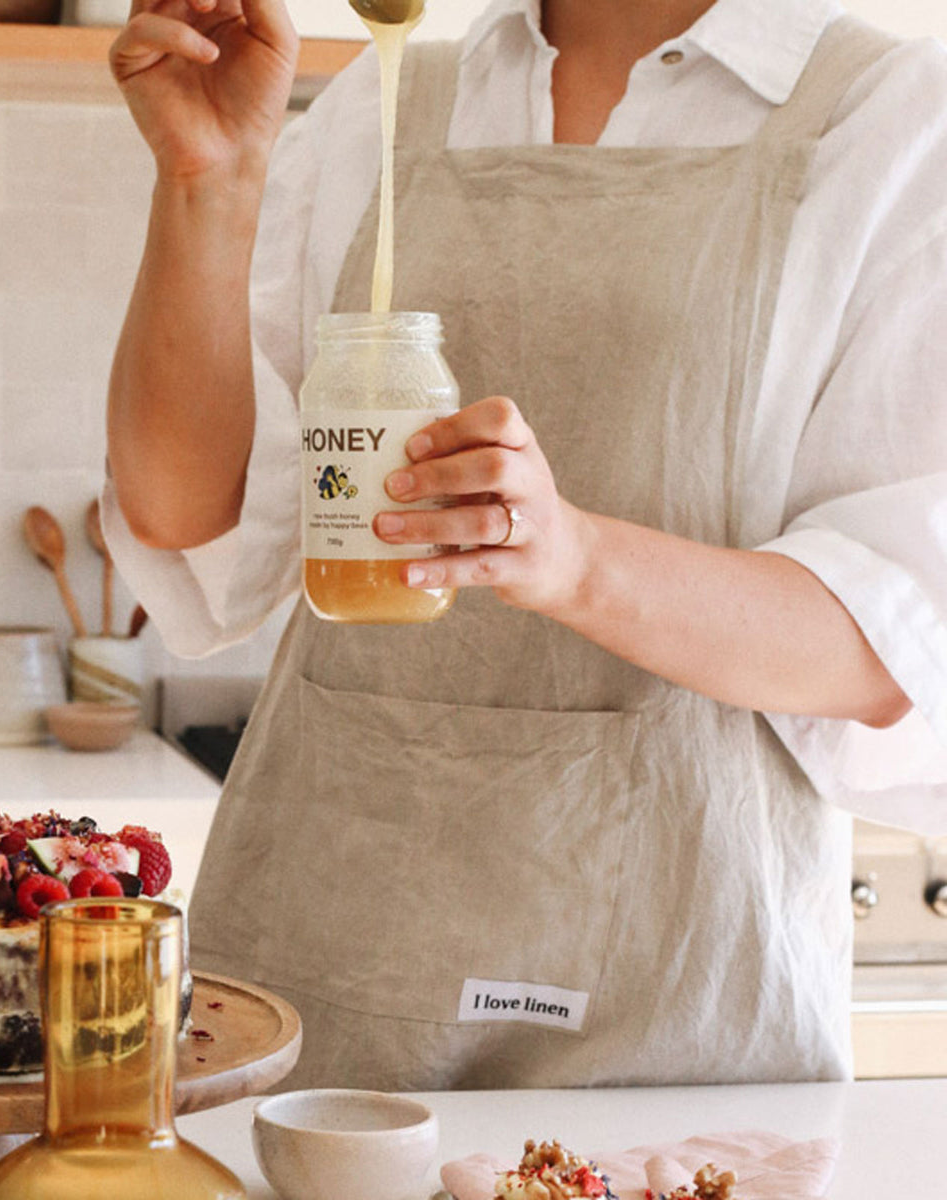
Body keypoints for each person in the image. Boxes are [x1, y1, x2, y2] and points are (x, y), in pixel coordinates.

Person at [101, 0, 947, 1089]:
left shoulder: (887, 120)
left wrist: (574, 560)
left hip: (678, 995)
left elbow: (895, 639)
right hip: (328, 976)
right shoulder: (386, 99)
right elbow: (192, 516)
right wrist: (204, 183)